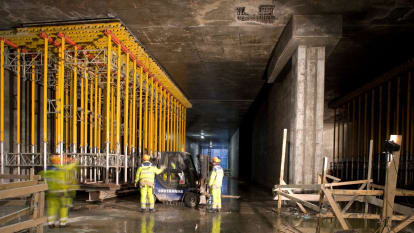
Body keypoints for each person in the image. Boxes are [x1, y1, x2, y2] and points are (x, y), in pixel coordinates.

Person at [41, 154, 70, 228]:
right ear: (58, 161)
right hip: (61, 192)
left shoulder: (46, 170)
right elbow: (62, 181)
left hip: (50, 193)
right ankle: (62, 223)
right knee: (63, 207)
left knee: (51, 208)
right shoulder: (60, 170)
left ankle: (50, 223)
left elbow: (42, 179)